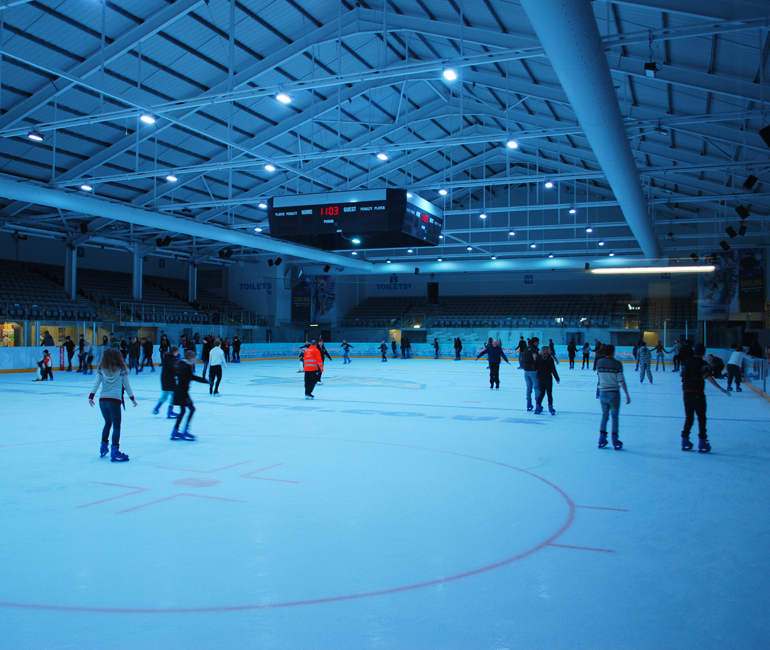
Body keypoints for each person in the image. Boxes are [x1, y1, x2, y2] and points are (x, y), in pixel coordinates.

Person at [88, 348, 137, 462]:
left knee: (107, 423)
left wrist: (91, 397)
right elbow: (127, 385)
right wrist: (132, 399)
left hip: (103, 400)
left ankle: (103, 447)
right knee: (116, 426)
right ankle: (115, 450)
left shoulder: (101, 368)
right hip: (114, 400)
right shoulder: (122, 370)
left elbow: (96, 383)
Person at [680, 343, 730, 453]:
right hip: (697, 392)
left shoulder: (686, 362)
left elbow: (682, 376)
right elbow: (708, 376)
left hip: (686, 393)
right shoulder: (703, 363)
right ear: (703, 353)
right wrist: (720, 388)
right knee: (701, 418)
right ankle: (702, 442)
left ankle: (684, 440)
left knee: (689, 417)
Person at [596, 344, 630, 450]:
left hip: (602, 392)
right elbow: (621, 380)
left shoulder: (599, 363)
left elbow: (599, 377)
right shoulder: (617, 364)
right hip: (613, 393)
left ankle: (602, 439)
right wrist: (627, 394)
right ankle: (615, 440)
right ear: (613, 352)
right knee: (614, 417)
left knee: (604, 416)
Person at [171, 350, 208, 440]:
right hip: (182, 393)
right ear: (190, 358)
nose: (195, 359)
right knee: (191, 409)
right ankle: (184, 431)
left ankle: (175, 431)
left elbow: (188, 376)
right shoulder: (185, 366)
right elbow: (190, 377)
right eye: (194, 357)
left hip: (179, 391)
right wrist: (205, 381)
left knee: (183, 411)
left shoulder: (182, 364)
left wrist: (205, 381)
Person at [153, 346, 180, 419]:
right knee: (174, 395)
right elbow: (172, 369)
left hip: (164, 378)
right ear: (175, 352)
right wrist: (178, 373)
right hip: (169, 379)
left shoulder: (167, 357)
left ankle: (157, 408)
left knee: (165, 395)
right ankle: (170, 411)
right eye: (178, 351)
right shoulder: (171, 358)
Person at [534, 346, 559, 415]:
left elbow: (534, 366)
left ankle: (538, 407)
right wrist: (557, 378)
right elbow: (553, 369)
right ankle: (550, 408)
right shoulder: (549, 359)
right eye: (549, 350)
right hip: (547, 378)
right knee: (549, 393)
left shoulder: (538, 357)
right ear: (546, 351)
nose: (551, 351)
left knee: (542, 393)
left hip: (540, 378)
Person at [521, 336, 541, 411]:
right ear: (535, 342)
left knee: (529, 388)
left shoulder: (526, 348)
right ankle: (538, 404)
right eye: (538, 342)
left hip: (526, 370)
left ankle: (528, 403)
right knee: (536, 387)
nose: (539, 343)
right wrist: (537, 368)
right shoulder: (534, 349)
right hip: (533, 371)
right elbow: (535, 359)